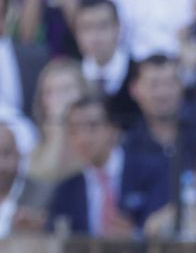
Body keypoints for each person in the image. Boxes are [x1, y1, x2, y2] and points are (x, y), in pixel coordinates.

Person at [48, 95, 169, 235]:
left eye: (92, 126)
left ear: (114, 129)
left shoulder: (152, 172)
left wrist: (135, 235)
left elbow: (164, 229)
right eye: (75, 130)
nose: (83, 138)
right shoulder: (66, 190)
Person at [123, 54, 196, 176]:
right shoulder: (127, 141)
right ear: (134, 89)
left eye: (170, 83)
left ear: (182, 85)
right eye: (154, 85)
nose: (163, 93)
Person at [73, 0, 139, 126]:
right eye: (87, 28)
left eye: (103, 26)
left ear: (118, 28)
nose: (95, 36)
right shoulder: (72, 75)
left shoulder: (138, 73)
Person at [26, 58, 91, 187]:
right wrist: (57, 131)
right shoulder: (34, 145)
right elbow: (44, 180)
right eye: (50, 92)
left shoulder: (98, 136)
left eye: (66, 90)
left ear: (84, 93)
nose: (58, 99)